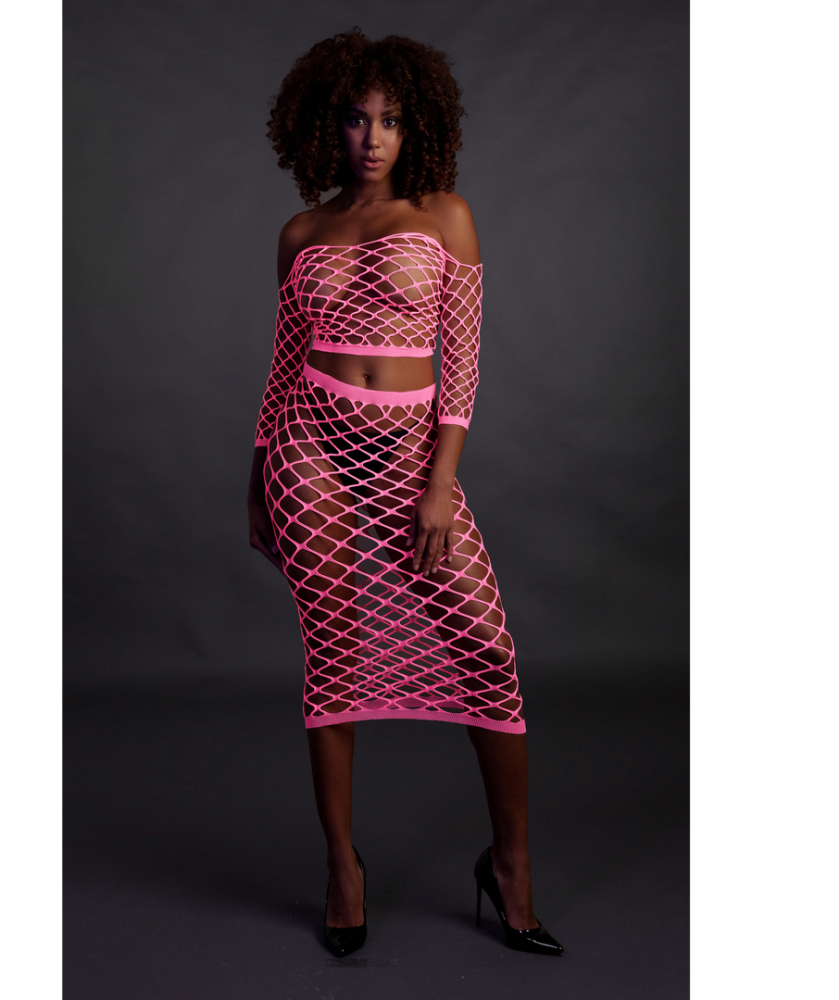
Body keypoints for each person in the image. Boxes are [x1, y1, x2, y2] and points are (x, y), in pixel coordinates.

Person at [247, 29, 562, 958]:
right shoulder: (301, 234)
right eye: (356, 119)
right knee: (333, 656)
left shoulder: (445, 216)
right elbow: (283, 366)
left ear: (415, 125)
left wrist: (440, 482)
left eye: (389, 120)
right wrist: (257, 476)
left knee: (486, 649)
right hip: (307, 447)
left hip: (411, 459)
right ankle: (342, 869)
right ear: (327, 126)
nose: (373, 138)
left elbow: (460, 361)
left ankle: (510, 866)